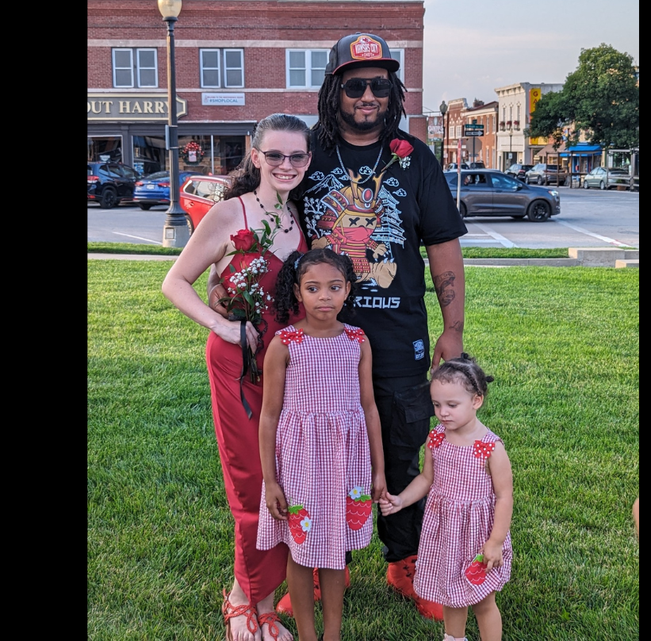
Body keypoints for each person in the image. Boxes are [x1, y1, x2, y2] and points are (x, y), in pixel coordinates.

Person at [206, 30, 467, 621]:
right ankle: (326, 556)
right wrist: (226, 275)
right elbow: (251, 206)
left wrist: (453, 327)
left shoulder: (412, 155)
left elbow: (444, 245)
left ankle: (404, 560)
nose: (368, 95)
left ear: (393, 90)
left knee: (402, 443)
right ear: (335, 90)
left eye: (380, 84)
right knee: (318, 446)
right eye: (356, 85)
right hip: (315, 333)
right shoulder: (306, 149)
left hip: (399, 331)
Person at [162, 113, 313, 641]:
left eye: (297, 156)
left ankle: (272, 591)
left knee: (289, 477)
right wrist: (223, 328)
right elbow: (175, 282)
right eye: (275, 155)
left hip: (292, 371)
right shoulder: (229, 215)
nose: (286, 165)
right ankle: (246, 601)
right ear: (256, 157)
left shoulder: (302, 221)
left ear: (308, 161)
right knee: (252, 483)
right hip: (238, 366)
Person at [256, 248, 387, 641]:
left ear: (348, 289)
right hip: (301, 464)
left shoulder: (357, 340)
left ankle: (333, 635)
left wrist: (379, 470)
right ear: (298, 293)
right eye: (313, 288)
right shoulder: (285, 344)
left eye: (333, 287)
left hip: (347, 462)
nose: (324, 296)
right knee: (301, 549)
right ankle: (308, 636)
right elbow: (269, 415)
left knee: (333, 550)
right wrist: (270, 479)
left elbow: (368, 406)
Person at [378, 354, 513, 641]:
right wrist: (402, 500)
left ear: (476, 401)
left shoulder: (490, 448)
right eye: (437, 405)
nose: (443, 412)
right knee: (451, 595)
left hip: (478, 536)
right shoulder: (437, 437)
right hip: (446, 534)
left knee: (483, 600)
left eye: (452, 405)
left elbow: (504, 496)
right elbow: (427, 479)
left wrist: (496, 542)